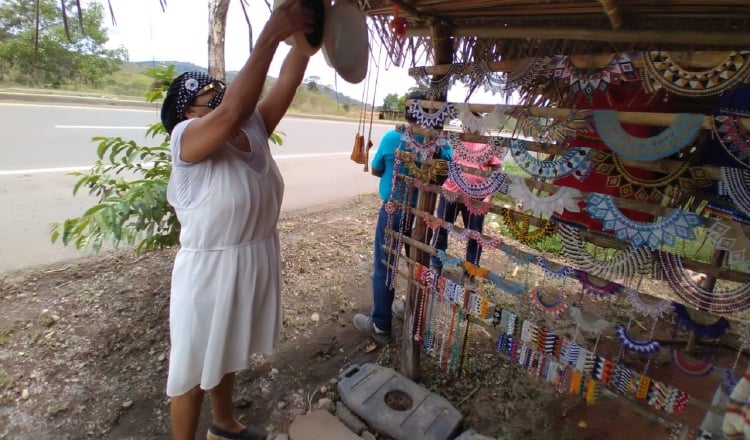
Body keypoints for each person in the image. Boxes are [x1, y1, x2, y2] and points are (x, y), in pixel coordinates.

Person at [159, 2, 313, 439]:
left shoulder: (256, 126)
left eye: (224, 90)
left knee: (222, 352)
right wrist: (268, 36)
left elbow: (288, 76)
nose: (226, 99)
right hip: (208, 273)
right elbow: (229, 114)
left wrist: (307, 35)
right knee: (190, 370)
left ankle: (224, 423)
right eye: (212, 97)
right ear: (188, 113)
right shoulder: (187, 141)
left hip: (250, 258)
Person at [353, 92, 453, 344]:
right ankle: (412, 314)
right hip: (424, 214)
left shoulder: (392, 137)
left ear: (409, 113)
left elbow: (376, 169)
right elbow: (444, 177)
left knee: (384, 267)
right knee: (418, 265)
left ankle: (381, 325)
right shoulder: (442, 144)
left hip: (394, 211)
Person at [429, 122, 502, 276]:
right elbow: (442, 155)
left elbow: (497, 169)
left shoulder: (488, 141)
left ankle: (471, 272)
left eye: (472, 118)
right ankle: (435, 266)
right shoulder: (457, 138)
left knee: (475, 235)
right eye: (466, 120)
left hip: (476, 197)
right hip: (451, 192)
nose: (466, 124)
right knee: (441, 228)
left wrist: (489, 197)